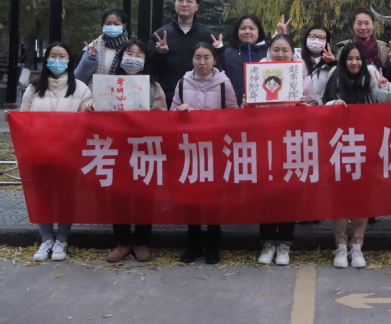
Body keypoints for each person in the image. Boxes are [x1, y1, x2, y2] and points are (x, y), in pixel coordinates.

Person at [324, 42, 391, 269]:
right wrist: (332, 105)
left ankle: (357, 245)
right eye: (349, 58)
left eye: (358, 58)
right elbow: (320, 106)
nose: (354, 63)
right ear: (343, 60)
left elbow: (389, 106)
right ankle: (340, 245)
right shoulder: (334, 77)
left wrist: (384, 89)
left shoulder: (372, 76)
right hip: (339, 147)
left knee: (362, 197)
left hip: (365, 147)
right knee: (339, 198)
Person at [17, 42, 93, 262]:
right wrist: (13, 119)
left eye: (62, 56)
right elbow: (23, 120)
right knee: (42, 195)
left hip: (68, 153)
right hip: (38, 152)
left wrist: (89, 111)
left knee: (65, 196)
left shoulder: (81, 89)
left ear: (69, 60)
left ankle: (62, 239)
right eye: (53, 55)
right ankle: (46, 239)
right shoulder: (34, 88)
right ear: (46, 59)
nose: (57, 60)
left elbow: (86, 123)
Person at [171, 42, 238, 265]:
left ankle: (213, 245)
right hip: (189, 149)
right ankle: (193, 244)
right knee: (190, 197)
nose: (202, 62)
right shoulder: (182, 83)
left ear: (214, 60)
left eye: (207, 57)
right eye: (198, 57)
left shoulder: (224, 83)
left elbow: (233, 114)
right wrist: (179, 111)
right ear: (192, 60)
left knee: (213, 197)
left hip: (215, 149)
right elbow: (170, 114)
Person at [255, 34, 317, 266]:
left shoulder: (301, 74)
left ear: (293, 53)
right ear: (269, 51)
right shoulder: (257, 73)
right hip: (265, 140)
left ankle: (284, 243)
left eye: (285, 50)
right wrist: (246, 105)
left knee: (289, 192)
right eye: (276, 50)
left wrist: (305, 106)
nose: (280, 54)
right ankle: (267, 242)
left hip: (292, 140)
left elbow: (314, 106)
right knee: (266, 193)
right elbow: (249, 110)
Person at [104, 39, 167, 263]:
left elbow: (162, 116)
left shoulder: (153, 87)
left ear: (145, 60)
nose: (133, 59)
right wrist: (91, 108)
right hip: (116, 148)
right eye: (129, 54)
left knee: (144, 196)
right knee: (118, 195)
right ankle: (122, 242)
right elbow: (99, 113)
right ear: (120, 58)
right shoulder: (107, 84)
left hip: (144, 148)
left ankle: (141, 241)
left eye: (139, 55)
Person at [148, 0, 222, 108]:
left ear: (197, 6)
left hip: (198, 98)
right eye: (180, 0)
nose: (184, 4)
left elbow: (217, 69)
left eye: (189, 1)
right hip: (167, 98)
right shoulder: (160, 35)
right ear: (175, 4)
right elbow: (150, 69)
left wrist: (219, 50)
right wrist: (159, 54)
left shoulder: (208, 36)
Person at [221, 14, 269, 105]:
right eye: (243, 28)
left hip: (264, 107)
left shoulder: (268, 54)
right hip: (234, 107)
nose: (247, 32)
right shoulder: (227, 54)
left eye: (251, 28)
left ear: (259, 31)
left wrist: (280, 35)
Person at [75, 8, 129, 84]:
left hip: (122, 89)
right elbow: (79, 76)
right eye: (108, 24)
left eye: (116, 24)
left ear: (124, 25)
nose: (112, 26)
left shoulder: (130, 48)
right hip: (96, 90)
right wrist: (90, 58)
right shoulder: (93, 47)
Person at [300, 23, 337, 102]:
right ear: (306, 38)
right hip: (296, 106)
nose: (316, 41)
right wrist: (279, 34)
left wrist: (333, 63)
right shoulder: (296, 57)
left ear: (327, 42)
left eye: (321, 38)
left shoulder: (329, 65)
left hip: (319, 107)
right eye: (312, 37)